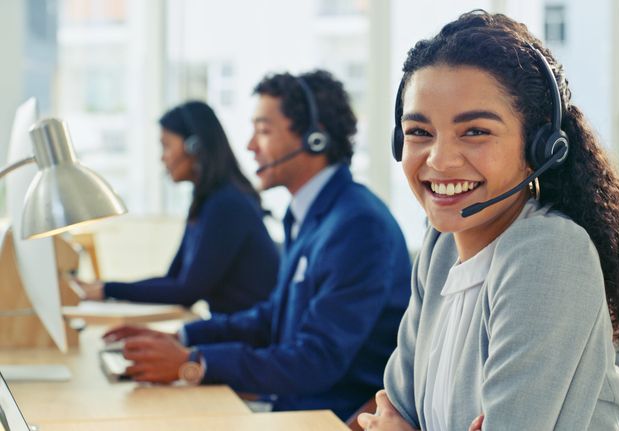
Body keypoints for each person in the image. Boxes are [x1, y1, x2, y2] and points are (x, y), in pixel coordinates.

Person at [358, 11, 619, 431]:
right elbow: (394, 406)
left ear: (539, 146)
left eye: (475, 131)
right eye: (419, 132)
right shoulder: (441, 247)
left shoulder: (548, 252)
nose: (439, 159)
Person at [103, 70, 412, 420]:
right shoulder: (307, 214)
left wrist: (195, 363)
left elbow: (316, 361)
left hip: (323, 418)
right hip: (290, 404)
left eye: (263, 131)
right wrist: (184, 337)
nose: (250, 146)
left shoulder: (357, 226)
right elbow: (271, 317)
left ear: (315, 138)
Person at [77, 101, 279, 315]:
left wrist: (108, 290)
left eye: (166, 146)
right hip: (227, 327)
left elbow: (187, 291)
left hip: (246, 331)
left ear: (195, 147)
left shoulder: (227, 205)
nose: (162, 157)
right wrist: (104, 287)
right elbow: (173, 278)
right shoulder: (205, 202)